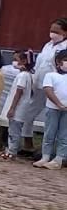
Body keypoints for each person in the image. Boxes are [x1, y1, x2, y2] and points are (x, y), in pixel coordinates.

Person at [14, 19, 67, 156]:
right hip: (39, 84)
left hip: (56, 87)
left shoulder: (65, 47)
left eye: (56, 31)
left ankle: (54, 151)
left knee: (55, 118)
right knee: (28, 112)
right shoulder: (47, 45)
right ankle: (28, 144)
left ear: (65, 33)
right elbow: (39, 65)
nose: (52, 33)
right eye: (51, 30)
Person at [2, 50, 37, 161]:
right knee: (14, 130)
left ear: (24, 61)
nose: (14, 62)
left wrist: (12, 108)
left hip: (18, 108)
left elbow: (19, 92)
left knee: (14, 131)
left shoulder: (23, 76)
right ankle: (10, 150)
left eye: (16, 60)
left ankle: (12, 152)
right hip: (22, 108)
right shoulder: (28, 75)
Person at [35, 50, 67, 169]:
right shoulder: (51, 75)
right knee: (49, 133)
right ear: (58, 62)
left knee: (64, 135)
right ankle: (45, 157)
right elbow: (48, 90)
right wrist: (58, 104)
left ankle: (59, 159)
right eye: (65, 60)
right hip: (53, 108)